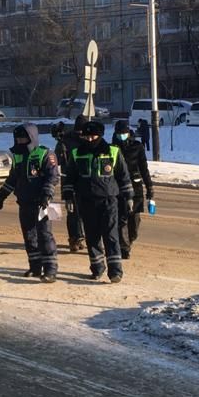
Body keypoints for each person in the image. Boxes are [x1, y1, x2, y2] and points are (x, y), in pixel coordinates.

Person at [65, 119, 133, 283]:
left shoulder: (113, 152)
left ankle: (115, 271)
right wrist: (68, 197)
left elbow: (123, 176)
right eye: (86, 137)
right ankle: (97, 268)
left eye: (93, 136)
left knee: (111, 236)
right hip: (86, 201)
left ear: (100, 135)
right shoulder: (77, 153)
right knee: (92, 236)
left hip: (109, 200)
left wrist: (129, 196)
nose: (89, 140)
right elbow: (70, 179)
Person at [0, 123, 60, 282]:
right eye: (18, 138)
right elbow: (13, 178)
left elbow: (53, 177)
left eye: (24, 138)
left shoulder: (45, 153)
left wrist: (47, 194)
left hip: (44, 203)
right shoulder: (17, 155)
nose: (21, 141)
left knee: (45, 235)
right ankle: (35, 267)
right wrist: (2, 194)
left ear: (32, 137)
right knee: (29, 236)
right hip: (25, 202)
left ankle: (51, 270)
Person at [112, 119, 154, 259]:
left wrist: (149, 187)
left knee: (134, 220)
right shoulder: (111, 148)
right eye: (118, 133)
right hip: (118, 188)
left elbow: (144, 168)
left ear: (128, 132)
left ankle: (130, 239)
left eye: (123, 133)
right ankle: (124, 247)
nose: (121, 136)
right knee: (121, 219)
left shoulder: (137, 147)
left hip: (135, 188)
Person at [52, 114, 86, 253]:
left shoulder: (68, 140)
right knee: (74, 212)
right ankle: (75, 239)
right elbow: (56, 159)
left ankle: (78, 238)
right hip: (72, 182)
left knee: (78, 212)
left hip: (80, 181)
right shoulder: (66, 142)